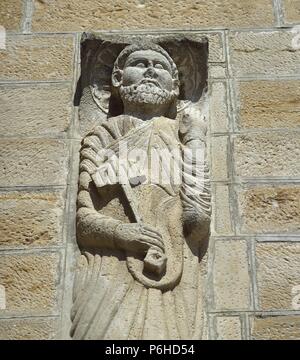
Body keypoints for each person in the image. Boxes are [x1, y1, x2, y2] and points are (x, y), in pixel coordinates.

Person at [71, 42, 211, 340]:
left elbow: (197, 220)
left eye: (159, 66)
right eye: (139, 63)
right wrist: (121, 234)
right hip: (109, 270)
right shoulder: (101, 135)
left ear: (175, 86)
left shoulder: (182, 138)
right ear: (118, 80)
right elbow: (84, 221)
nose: (149, 70)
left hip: (173, 268)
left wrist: (196, 139)